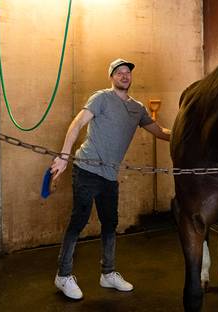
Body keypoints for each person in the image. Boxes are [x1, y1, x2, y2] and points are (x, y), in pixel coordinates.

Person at [50, 58, 171, 300]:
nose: (125, 76)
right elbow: (77, 123)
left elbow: (159, 132)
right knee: (79, 220)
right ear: (112, 77)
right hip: (86, 168)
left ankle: (108, 273)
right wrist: (64, 156)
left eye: (128, 72)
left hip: (109, 176)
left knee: (110, 223)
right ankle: (63, 275)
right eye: (119, 72)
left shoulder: (137, 109)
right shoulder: (101, 98)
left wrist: (186, 136)